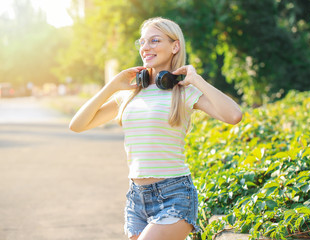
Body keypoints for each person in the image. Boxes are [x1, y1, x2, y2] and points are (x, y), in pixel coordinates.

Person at [69, 17, 242, 240]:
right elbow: (77, 125)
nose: (145, 48)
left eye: (154, 40)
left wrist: (197, 80)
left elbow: (234, 115)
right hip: (137, 198)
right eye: (142, 42)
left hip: (174, 194)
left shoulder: (183, 92)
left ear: (175, 46)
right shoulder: (130, 94)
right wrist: (112, 86)